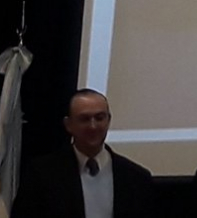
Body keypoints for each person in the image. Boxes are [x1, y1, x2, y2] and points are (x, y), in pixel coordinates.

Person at [12, 88, 154, 218]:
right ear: (68, 125)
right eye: (84, 119)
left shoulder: (136, 178)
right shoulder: (41, 175)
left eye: (99, 118)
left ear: (109, 120)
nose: (93, 126)